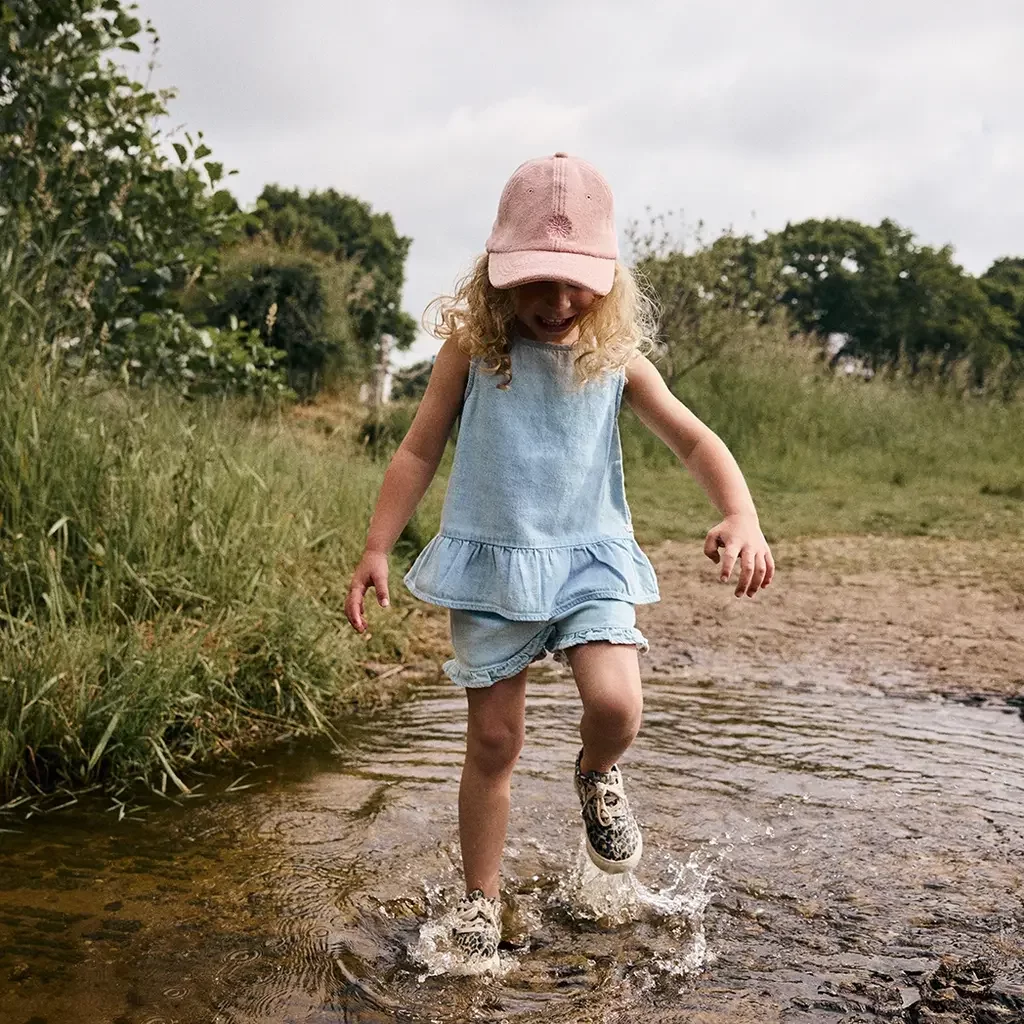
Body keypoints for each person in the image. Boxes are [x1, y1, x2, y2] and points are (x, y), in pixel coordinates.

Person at [345, 152, 774, 973]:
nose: (558, 301)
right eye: (537, 281)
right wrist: (374, 547)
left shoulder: (615, 362)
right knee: (495, 743)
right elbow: (417, 450)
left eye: (576, 282)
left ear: (607, 279)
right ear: (498, 277)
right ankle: (480, 903)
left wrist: (739, 511)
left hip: (588, 563)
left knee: (616, 705)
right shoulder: (470, 352)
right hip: (494, 568)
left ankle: (596, 773)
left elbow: (693, 437)